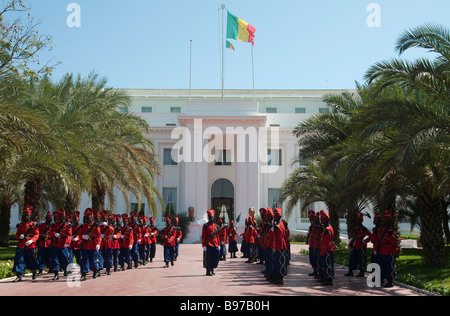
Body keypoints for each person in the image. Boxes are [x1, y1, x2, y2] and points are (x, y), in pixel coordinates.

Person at [12, 206, 39, 282]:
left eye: (27, 215)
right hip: (21, 245)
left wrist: (32, 240)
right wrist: (19, 236)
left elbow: (36, 234)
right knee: (19, 259)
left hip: (30, 245)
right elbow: (17, 235)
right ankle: (19, 276)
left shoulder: (34, 224)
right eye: (25, 215)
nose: (26, 217)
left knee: (31, 259)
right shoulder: (21, 225)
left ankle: (34, 272)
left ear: (30, 216)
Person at [77, 208, 102, 281]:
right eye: (86, 217)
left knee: (93, 260)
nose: (87, 218)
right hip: (85, 245)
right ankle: (83, 274)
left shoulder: (95, 226)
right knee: (84, 260)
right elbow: (79, 233)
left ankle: (95, 271)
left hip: (93, 245)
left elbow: (98, 236)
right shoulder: (84, 226)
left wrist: (98, 244)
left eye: (89, 217)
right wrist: (82, 237)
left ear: (91, 217)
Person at [345, 212, 372, 277]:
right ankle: (350, 271)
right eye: (357, 220)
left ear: (361, 221)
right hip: (355, 246)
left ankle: (362, 272)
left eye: (359, 220)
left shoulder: (364, 228)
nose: (358, 221)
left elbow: (371, 235)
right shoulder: (356, 228)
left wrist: (365, 241)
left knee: (361, 259)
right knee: (352, 259)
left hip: (361, 246)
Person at [48, 208, 72, 280]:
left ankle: (66, 269)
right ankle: (56, 274)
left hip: (63, 244)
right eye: (60, 217)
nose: (61, 218)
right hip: (56, 244)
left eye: (62, 217)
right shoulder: (55, 225)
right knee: (54, 258)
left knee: (64, 258)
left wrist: (67, 243)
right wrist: (54, 234)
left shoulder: (68, 225)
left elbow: (69, 235)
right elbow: (50, 233)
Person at [378, 210, 398, 288]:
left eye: (386, 220)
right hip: (382, 250)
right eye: (384, 220)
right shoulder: (381, 230)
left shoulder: (391, 231)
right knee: (383, 266)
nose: (384, 222)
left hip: (389, 250)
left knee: (390, 266)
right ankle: (382, 279)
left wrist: (390, 236)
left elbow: (394, 243)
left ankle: (390, 281)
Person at [269, 207, 287, 285]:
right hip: (278, 245)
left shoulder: (279, 226)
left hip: (280, 245)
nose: (274, 218)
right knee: (277, 262)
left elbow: (275, 233)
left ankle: (280, 278)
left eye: (275, 217)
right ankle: (277, 276)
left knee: (280, 261)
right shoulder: (278, 224)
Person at [202, 209, 220, 276]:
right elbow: (203, 236)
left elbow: (217, 236)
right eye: (209, 217)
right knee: (208, 258)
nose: (211, 218)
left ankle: (212, 268)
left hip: (215, 243)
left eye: (211, 217)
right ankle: (208, 271)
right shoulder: (205, 226)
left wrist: (218, 243)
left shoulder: (216, 226)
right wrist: (204, 245)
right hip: (208, 243)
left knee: (216, 256)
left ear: (213, 217)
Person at [318, 210, 334, 286]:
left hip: (327, 249)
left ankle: (329, 280)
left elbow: (325, 242)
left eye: (323, 220)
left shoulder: (327, 230)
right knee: (326, 264)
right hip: (328, 248)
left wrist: (322, 252)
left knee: (327, 265)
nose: (322, 221)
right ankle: (326, 278)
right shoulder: (327, 228)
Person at [36, 211, 53, 276]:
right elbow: (38, 233)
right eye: (49, 218)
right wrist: (42, 235)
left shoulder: (53, 226)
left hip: (49, 243)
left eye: (50, 218)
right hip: (42, 243)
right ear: (46, 219)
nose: (50, 220)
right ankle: (40, 270)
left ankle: (50, 268)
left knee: (50, 257)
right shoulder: (42, 225)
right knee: (41, 257)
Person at [306, 210, 319, 277]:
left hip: (315, 244)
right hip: (311, 244)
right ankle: (314, 270)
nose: (310, 219)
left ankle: (317, 271)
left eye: (311, 218)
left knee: (315, 258)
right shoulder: (311, 226)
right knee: (311, 258)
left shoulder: (316, 225)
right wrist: (307, 239)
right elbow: (310, 233)